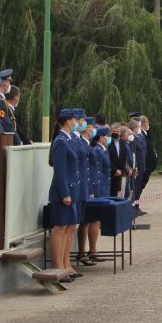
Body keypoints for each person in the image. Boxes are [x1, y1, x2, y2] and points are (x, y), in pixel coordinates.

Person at [48, 108, 80, 282]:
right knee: (60, 228)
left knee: (69, 228)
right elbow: (60, 171)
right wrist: (65, 193)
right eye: (75, 120)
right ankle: (58, 267)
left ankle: (66, 264)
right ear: (68, 121)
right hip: (63, 192)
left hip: (72, 190)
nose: (77, 123)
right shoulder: (60, 141)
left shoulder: (68, 139)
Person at [71, 111, 95, 267]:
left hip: (83, 186)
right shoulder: (71, 140)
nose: (83, 124)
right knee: (70, 226)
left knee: (84, 221)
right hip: (76, 187)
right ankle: (68, 262)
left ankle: (82, 253)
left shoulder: (78, 140)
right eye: (81, 121)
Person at [86, 126, 112, 263]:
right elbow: (97, 172)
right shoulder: (97, 150)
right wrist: (96, 191)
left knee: (97, 221)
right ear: (101, 137)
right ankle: (92, 250)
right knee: (94, 220)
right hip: (99, 188)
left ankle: (93, 250)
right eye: (107, 136)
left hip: (103, 187)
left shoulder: (102, 150)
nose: (108, 138)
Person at [128, 117, 147, 216]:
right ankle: (133, 207)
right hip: (137, 166)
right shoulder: (132, 138)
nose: (139, 129)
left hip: (141, 165)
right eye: (138, 127)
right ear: (134, 128)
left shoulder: (138, 137)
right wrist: (135, 166)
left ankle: (137, 206)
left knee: (139, 188)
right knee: (135, 188)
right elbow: (133, 153)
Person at [0, 68, 16, 136]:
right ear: (5, 84)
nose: (10, 85)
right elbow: (7, 125)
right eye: (9, 82)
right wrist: (17, 140)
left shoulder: (2, 100)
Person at [108, 123, 132, 197]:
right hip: (111, 172)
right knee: (112, 194)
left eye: (117, 131)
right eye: (113, 131)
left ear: (120, 133)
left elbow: (124, 158)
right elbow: (108, 158)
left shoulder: (123, 143)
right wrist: (115, 170)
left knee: (121, 195)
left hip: (121, 172)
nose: (115, 133)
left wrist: (126, 169)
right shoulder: (108, 142)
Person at [140, 115, 157, 194]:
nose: (148, 125)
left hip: (148, 167)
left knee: (140, 188)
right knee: (138, 188)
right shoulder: (141, 135)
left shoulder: (146, 134)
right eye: (148, 123)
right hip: (146, 166)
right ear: (145, 124)